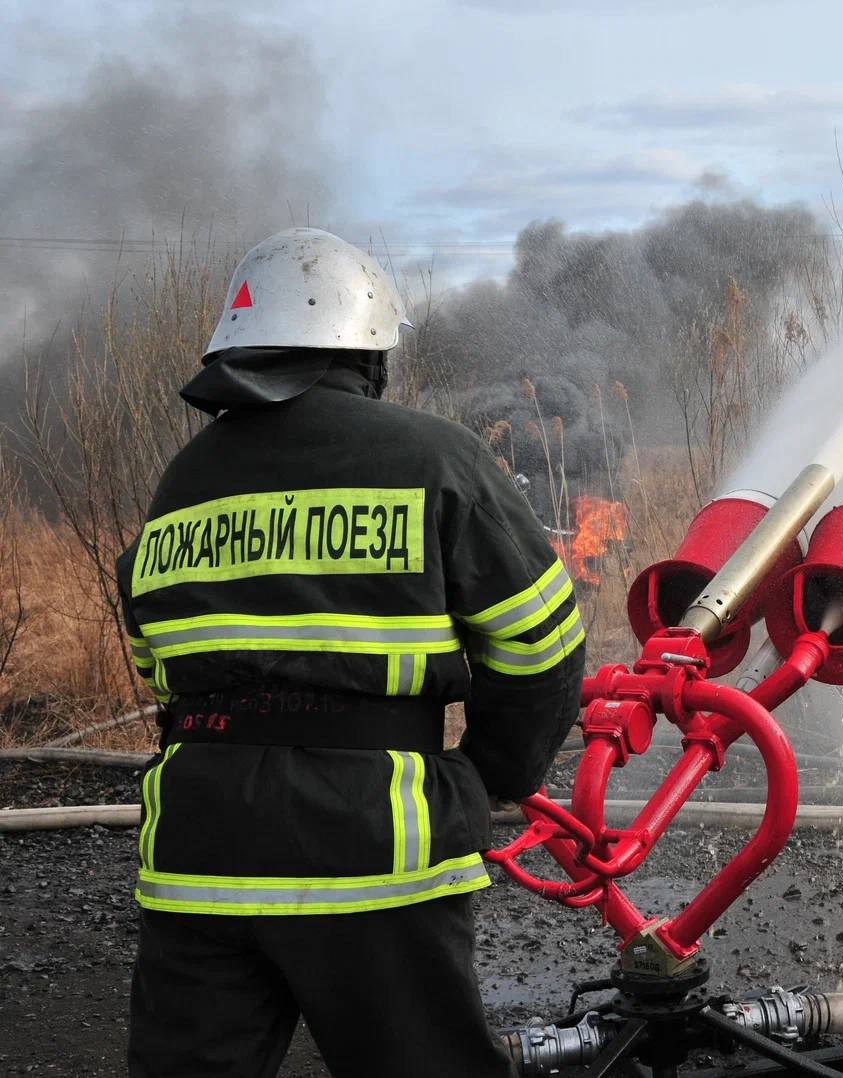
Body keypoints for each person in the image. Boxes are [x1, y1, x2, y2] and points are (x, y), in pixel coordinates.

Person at [116, 227, 585, 1077]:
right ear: (366, 347)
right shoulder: (433, 458)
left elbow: (160, 667)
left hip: (198, 855)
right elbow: (542, 642)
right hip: (375, 854)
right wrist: (490, 776)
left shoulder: (179, 485)